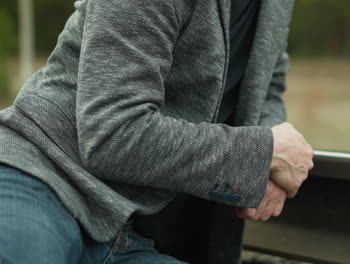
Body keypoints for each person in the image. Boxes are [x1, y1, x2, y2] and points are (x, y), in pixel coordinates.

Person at [0, 0, 314, 263]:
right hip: (44, 176)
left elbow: (265, 81)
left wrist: (269, 159)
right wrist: (258, 157)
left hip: (132, 234)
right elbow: (112, 133)